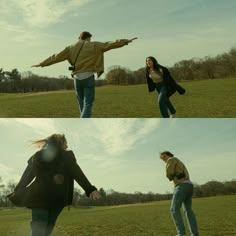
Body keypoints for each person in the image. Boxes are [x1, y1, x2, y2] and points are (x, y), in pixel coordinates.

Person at [8, 134, 100, 236]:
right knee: (39, 230)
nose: (67, 146)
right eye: (65, 143)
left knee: (47, 229)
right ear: (60, 143)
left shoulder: (66, 157)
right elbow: (28, 175)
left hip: (55, 201)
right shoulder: (38, 157)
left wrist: (89, 188)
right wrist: (17, 191)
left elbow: (77, 173)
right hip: (41, 199)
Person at [32, 31, 137, 118]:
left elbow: (55, 57)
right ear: (88, 38)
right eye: (90, 39)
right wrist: (125, 41)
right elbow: (110, 44)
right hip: (88, 77)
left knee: (81, 104)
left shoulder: (70, 48)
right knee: (88, 104)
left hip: (76, 79)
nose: (90, 40)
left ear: (79, 38)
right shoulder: (93, 45)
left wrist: (41, 64)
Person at [160, 151, 199, 236]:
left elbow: (169, 173)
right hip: (189, 185)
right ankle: (194, 234)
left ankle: (181, 234)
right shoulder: (180, 162)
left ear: (168, 155)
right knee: (188, 210)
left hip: (181, 186)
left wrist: (171, 176)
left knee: (174, 209)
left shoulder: (171, 159)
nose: (164, 160)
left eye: (164, 157)